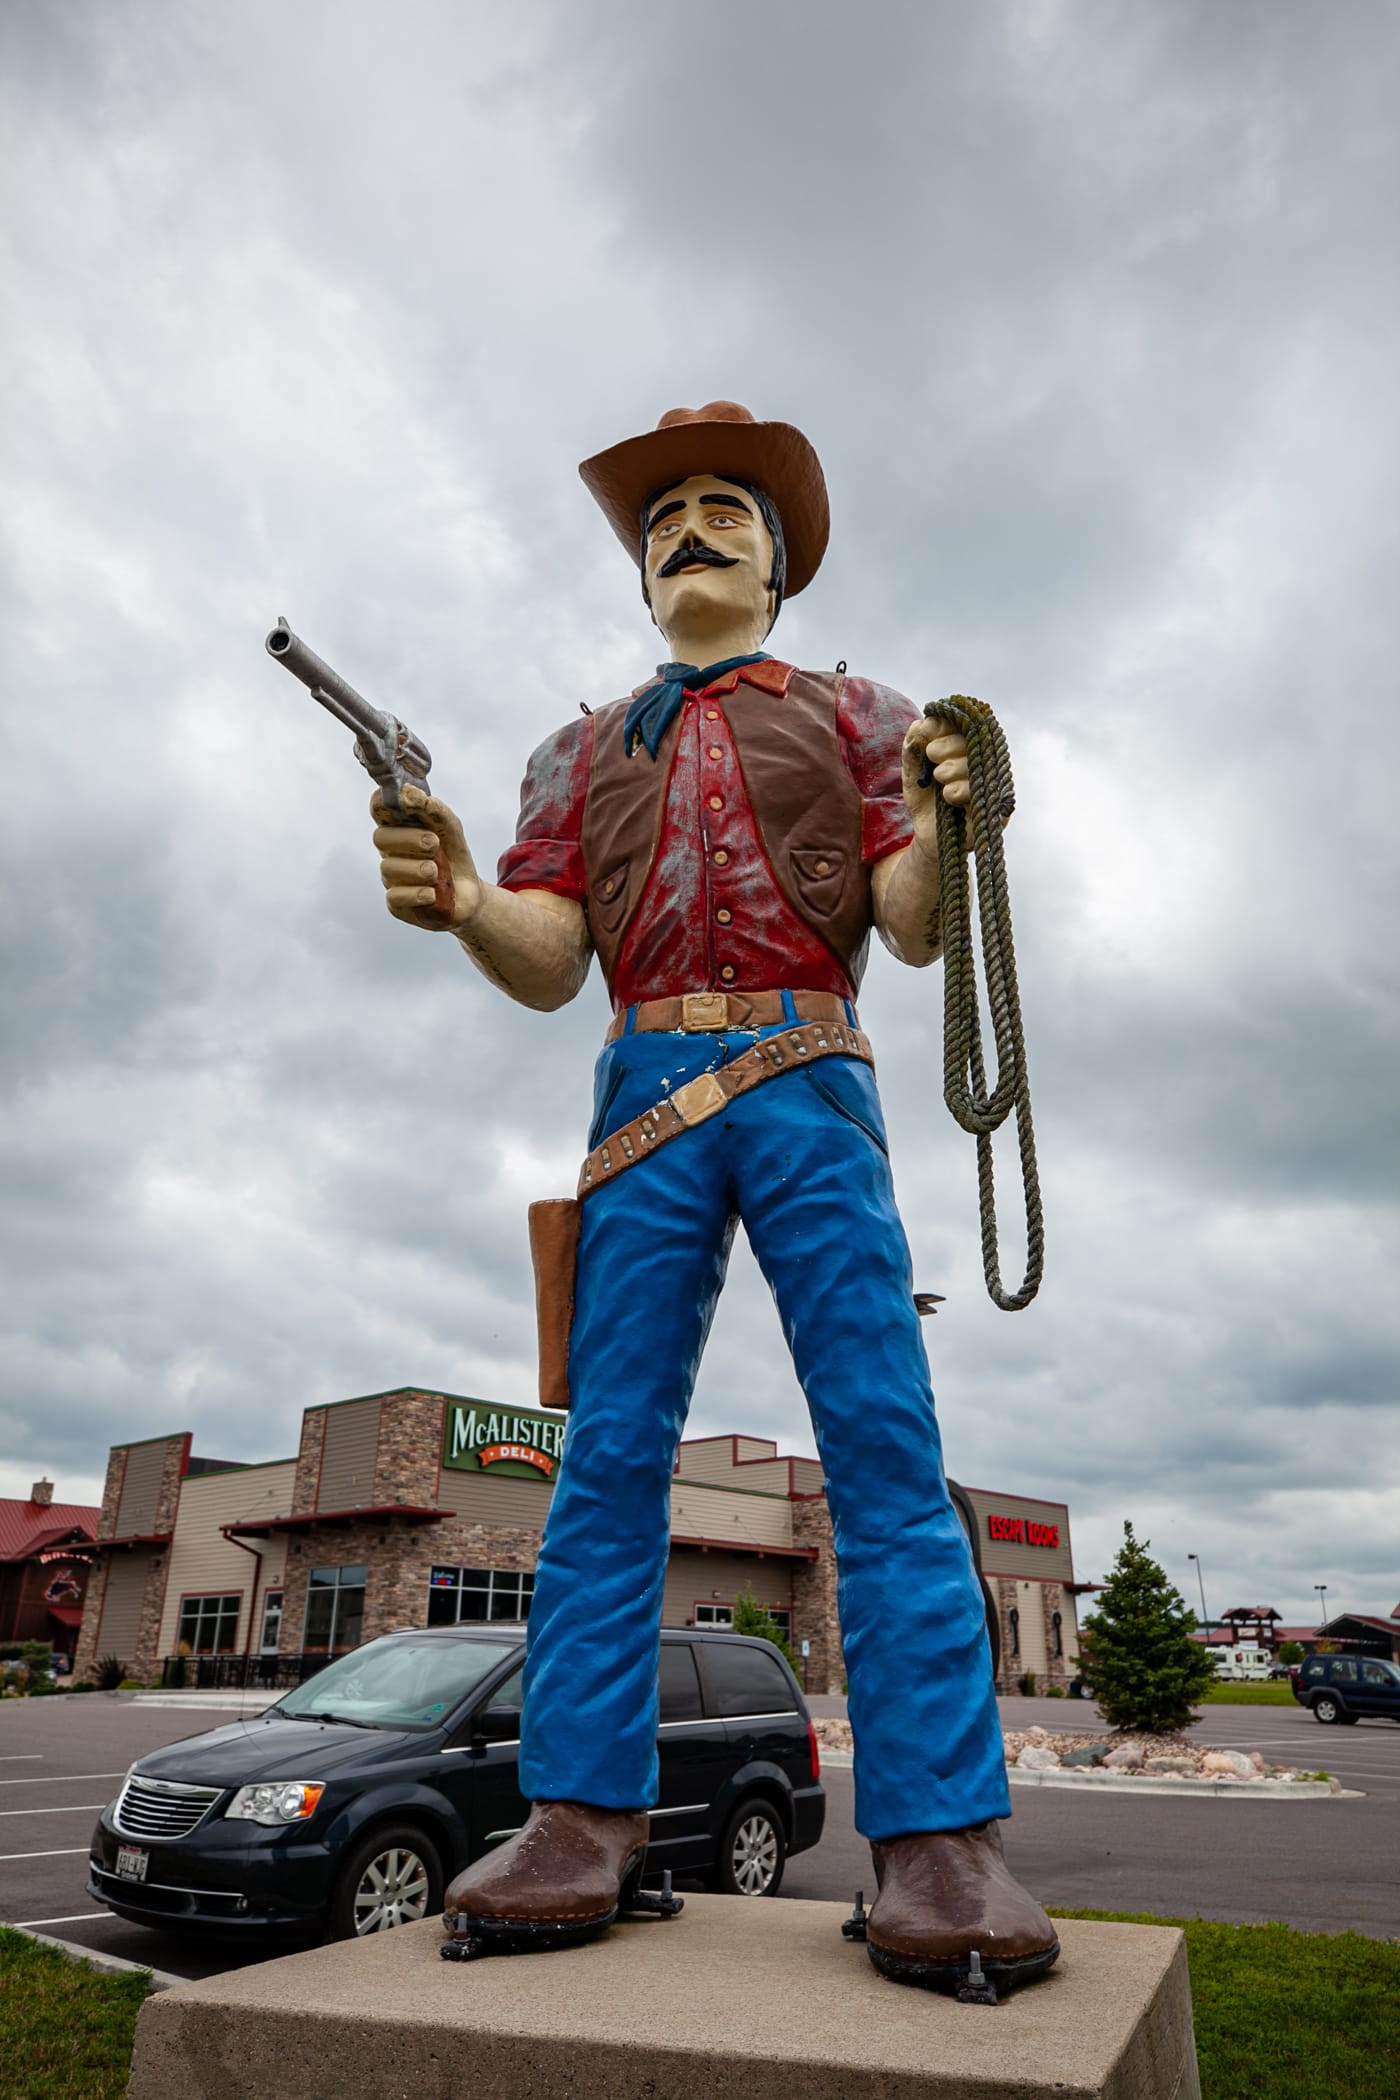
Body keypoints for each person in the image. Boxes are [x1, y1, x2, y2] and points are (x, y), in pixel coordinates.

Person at [369, 401, 1057, 1996]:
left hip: (812, 1071)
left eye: (723, 508)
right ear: (641, 567)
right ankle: (578, 1816)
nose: (690, 525)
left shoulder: (861, 712)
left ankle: (940, 1837)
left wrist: (955, 817)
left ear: (778, 557)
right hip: (639, 1096)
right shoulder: (574, 750)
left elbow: (908, 922)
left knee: (883, 1440)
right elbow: (552, 962)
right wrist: (470, 897)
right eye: (665, 511)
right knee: (606, 1456)